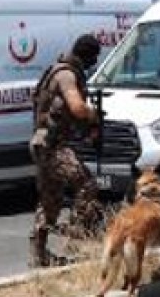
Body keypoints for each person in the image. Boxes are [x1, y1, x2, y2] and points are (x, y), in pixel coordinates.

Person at [28, 35, 104, 268]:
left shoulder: (59, 70)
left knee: (51, 199)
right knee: (87, 184)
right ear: (88, 56)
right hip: (52, 145)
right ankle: (77, 235)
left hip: (43, 143)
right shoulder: (67, 75)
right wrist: (94, 115)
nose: (94, 63)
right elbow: (78, 107)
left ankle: (39, 255)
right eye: (94, 58)